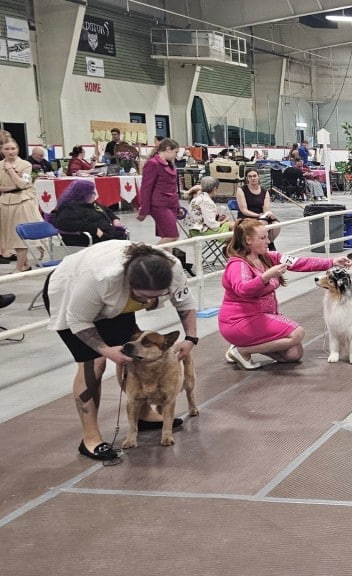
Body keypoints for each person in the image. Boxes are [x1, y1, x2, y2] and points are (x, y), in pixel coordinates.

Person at [45, 240, 198, 460]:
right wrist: (107, 351)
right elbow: (78, 321)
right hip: (70, 299)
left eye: (155, 296)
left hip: (116, 303)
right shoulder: (100, 279)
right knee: (95, 362)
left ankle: (143, 416)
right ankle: (90, 438)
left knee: (133, 352)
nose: (148, 301)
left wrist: (191, 338)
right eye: (143, 296)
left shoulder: (171, 269)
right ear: (128, 281)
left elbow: (184, 302)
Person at [220, 219, 351, 369]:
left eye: (267, 236)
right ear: (248, 240)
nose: (268, 241)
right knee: (297, 333)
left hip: (261, 317)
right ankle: (242, 350)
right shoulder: (237, 264)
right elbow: (243, 289)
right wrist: (266, 276)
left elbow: (299, 262)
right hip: (239, 320)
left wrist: (332, 262)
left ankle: (244, 347)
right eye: (263, 238)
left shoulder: (269, 257)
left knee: (294, 354)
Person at [1, 138, 45, 272]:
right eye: (7, 149)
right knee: (9, 235)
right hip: (5, 202)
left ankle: (19, 267)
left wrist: (10, 171)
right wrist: (11, 188)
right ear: (2, 150)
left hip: (22, 202)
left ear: (18, 149)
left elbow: (22, 184)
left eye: (13, 149)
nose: (10, 152)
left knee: (20, 237)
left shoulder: (26, 165)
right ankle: (25, 264)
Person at [52, 180, 127, 244]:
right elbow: (63, 223)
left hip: (107, 235)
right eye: (92, 193)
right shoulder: (70, 208)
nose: (94, 195)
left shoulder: (92, 203)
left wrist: (115, 219)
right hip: (88, 239)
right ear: (83, 195)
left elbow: (107, 210)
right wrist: (94, 229)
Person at [137, 138, 181, 245]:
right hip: (159, 205)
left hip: (171, 204)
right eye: (176, 152)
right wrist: (144, 209)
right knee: (172, 236)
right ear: (168, 149)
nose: (176, 155)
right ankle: (148, 255)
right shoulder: (153, 164)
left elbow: (173, 188)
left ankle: (167, 260)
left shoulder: (170, 164)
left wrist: (178, 206)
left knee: (166, 236)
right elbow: (146, 188)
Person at [235, 168, 280, 245]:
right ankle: (258, 245)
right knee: (262, 223)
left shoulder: (265, 191)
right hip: (246, 216)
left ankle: (268, 244)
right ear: (247, 178)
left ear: (258, 177)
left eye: (254, 176)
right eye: (250, 176)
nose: (252, 178)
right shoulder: (241, 190)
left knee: (276, 224)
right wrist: (258, 215)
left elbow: (266, 209)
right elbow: (244, 210)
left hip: (261, 215)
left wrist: (268, 214)